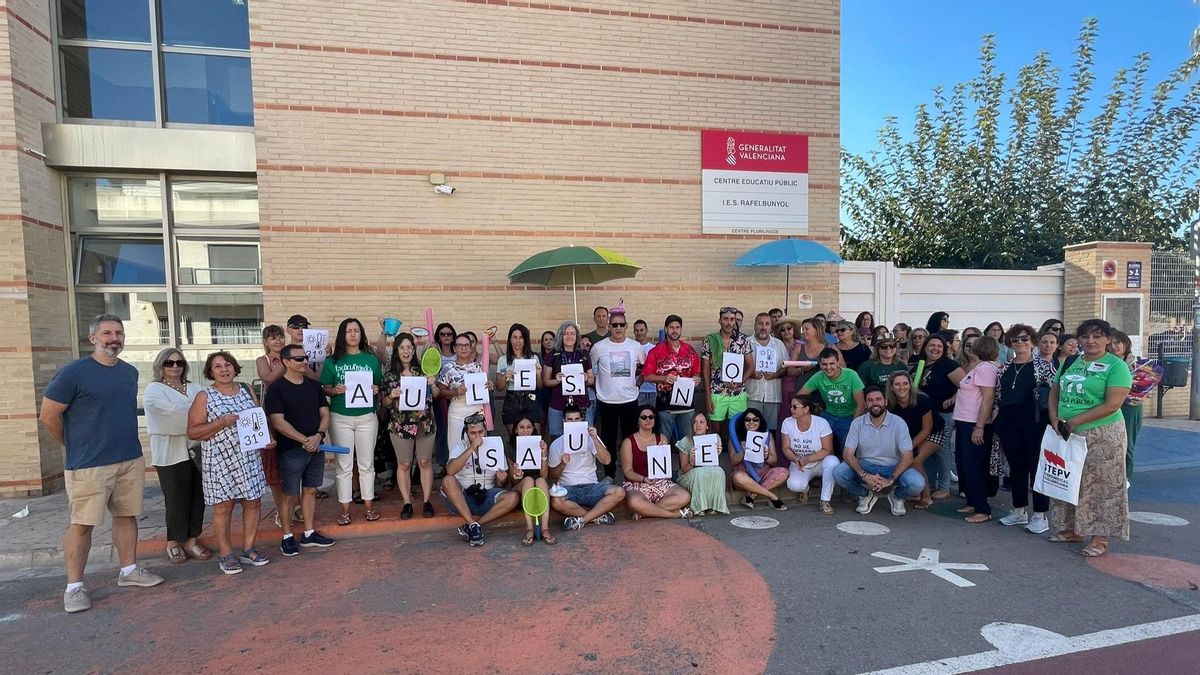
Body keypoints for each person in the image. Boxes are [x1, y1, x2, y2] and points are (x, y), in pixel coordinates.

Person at [41, 315, 165, 612]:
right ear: (93, 338)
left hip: (128, 458)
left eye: (119, 333)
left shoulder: (129, 372)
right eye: (107, 332)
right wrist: (72, 444)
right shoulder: (73, 373)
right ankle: (74, 587)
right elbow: (48, 415)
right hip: (88, 465)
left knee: (126, 516)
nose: (114, 338)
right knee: (82, 524)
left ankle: (129, 570)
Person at [1047, 319, 1133, 557]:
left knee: (1101, 485)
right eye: (1085, 336)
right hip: (1067, 431)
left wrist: (1075, 421)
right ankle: (1073, 529)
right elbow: (1055, 390)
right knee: (1070, 480)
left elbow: (1113, 404)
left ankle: (1100, 537)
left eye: (1097, 336)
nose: (1090, 341)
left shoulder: (1116, 366)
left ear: (1108, 339)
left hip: (1102, 433)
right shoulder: (1071, 361)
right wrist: (1054, 417)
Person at [187, 351, 271, 575]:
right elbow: (193, 432)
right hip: (219, 460)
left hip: (249, 457)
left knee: (253, 502)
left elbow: (258, 419)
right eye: (218, 366)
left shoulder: (246, 389)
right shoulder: (205, 396)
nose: (224, 369)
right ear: (210, 371)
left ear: (235, 367)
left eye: (228, 365)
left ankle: (249, 548)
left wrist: (266, 439)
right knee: (223, 507)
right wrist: (221, 422)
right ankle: (226, 553)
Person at [264, 344, 337, 556]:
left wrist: (319, 435)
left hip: (316, 447)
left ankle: (309, 533)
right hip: (290, 450)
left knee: (311, 490)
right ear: (286, 362)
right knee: (288, 495)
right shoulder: (276, 389)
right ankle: (287, 537)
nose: (304, 361)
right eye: (298, 359)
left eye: (305, 358)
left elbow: (325, 413)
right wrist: (304, 440)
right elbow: (277, 422)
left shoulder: (314, 386)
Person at [144, 348, 206, 565]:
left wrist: (194, 415)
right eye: (169, 363)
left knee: (198, 497)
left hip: (197, 450)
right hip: (169, 453)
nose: (175, 367)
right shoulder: (154, 389)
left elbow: (206, 410)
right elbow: (168, 415)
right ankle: (173, 542)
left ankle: (192, 540)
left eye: (179, 363)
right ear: (160, 365)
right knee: (175, 499)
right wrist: (196, 415)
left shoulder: (195, 387)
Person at [321, 318, 383, 525]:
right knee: (343, 465)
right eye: (349, 331)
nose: (353, 334)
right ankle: (345, 510)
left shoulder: (371, 360)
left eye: (357, 330)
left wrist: (376, 389)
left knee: (367, 464)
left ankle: (369, 506)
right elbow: (324, 388)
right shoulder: (332, 361)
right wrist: (334, 390)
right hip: (340, 418)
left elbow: (378, 385)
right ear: (343, 334)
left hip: (367, 417)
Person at [994, 324, 1055, 533]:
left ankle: (1040, 515)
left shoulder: (1043, 366)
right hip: (1009, 422)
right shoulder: (1004, 368)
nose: (1020, 343)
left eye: (1024, 338)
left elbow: (1055, 393)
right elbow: (998, 396)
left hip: (1035, 422)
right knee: (1016, 467)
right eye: (1015, 339)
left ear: (1032, 341)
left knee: (1037, 467)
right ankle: (1019, 510)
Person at [833, 388, 925, 516]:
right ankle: (865, 495)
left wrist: (890, 480)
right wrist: (864, 475)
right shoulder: (857, 423)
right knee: (839, 473)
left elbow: (908, 456)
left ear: (885, 402)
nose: (875, 403)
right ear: (865, 404)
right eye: (870, 400)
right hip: (866, 465)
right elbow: (847, 454)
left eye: (878, 399)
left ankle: (897, 497)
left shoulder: (899, 423)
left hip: (893, 467)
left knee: (917, 483)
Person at [381, 332, 437, 520]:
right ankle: (407, 502)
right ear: (397, 351)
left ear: (414, 350)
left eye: (409, 348)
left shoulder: (424, 371)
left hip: (424, 423)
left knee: (425, 462)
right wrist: (392, 396)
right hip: (400, 425)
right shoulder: (390, 375)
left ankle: (427, 501)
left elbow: (436, 394)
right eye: (402, 348)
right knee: (404, 464)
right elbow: (384, 402)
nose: (406, 351)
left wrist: (433, 383)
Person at [440, 414, 520, 547]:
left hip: (485, 495)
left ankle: (474, 526)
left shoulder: (495, 446)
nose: (477, 436)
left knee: (513, 497)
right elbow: (450, 470)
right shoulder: (460, 446)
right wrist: (471, 448)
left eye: (480, 432)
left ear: (486, 431)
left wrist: (502, 480)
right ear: (467, 434)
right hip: (462, 497)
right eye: (473, 433)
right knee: (448, 480)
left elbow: (503, 484)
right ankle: (472, 523)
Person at [590, 302, 645, 479]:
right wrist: (597, 386)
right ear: (609, 326)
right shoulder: (599, 347)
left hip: (630, 400)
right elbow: (590, 369)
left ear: (626, 326)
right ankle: (609, 474)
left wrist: (638, 384)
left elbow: (645, 368)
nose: (618, 328)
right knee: (609, 438)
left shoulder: (635, 346)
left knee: (630, 439)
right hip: (607, 401)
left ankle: (631, 474)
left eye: (621, 324)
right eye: (615, 325)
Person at [548, 405, 623, 530]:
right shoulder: (557, 444)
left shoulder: (590, 438)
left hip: (591, 486)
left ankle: (583, 520)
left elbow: (607, 460)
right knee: (556, 501)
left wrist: (595, 439)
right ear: (564, 421)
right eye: (570, 419)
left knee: (619, 492)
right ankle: (597, 517)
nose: (574, 422)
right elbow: (552, 475)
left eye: (577, 419)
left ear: (582, 420)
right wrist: (563, 464)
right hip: (569, 488)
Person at [952, 335, 999, 523]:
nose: (970, 348)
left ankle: (982, 509)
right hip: (965, 421)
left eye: (974, 345)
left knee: (973, 466)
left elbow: (987, 399)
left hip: (974, 423)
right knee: (965, 464)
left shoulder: (986, 369)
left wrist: (979, 427)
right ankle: (972, 501)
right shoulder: (981, 368)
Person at [620, 404, 694, 519]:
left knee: (684, 496)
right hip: (637, 482)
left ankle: (644, 512)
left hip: (659, 481)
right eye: (643, 417)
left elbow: (665, 468)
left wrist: (661, 451)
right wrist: (644, 479)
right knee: (635, 501)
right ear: (637, 421)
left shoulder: (662, 438)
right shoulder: (628, 442)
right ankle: (674, 514)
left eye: (651, 417)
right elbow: (627, 471)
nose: (648, 419)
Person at [885, 370, 945, 510]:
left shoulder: (921, 400)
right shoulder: (890, 404)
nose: (902, 387)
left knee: (914, 460)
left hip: (935, 431)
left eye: (905, 383)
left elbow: (927, 429)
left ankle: (926, 497)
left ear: (910, 385)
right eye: (897, 384)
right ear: (891, 387)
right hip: (911, 432)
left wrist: (909, 447)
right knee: (905, 457)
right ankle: (916, 493)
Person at [917, 334, 965, 499]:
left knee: (941, 451)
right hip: (925, 414)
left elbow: (966, 385)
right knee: (927, 452)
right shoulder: (921, 364)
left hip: (943, 414)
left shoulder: (948, 365)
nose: (935, 349)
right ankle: (930, 484)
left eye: (939, 346)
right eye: (932, 345)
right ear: (925, 347)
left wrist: (953, 398)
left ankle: (944, 487)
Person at [254, 324, 292, 528]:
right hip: (273, 416)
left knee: (294, 463)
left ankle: (294, 507)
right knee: (275, 467)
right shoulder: (263, 360)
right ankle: (280, 509)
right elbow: (267, 378)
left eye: (280, 337)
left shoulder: (293, 356)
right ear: (266, 342)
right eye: (272, 338)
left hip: (294, 413)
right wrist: (288, 361)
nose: (278, 341)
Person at [642, 314, 702, 444]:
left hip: (687, 406)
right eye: (671, 327)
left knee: (688, 442)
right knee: (663, 443)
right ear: (666, 329)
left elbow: (697, 373)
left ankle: (686, 459)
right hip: (665, 406)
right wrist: (664, 378)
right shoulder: (656, 351)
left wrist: (697, 379)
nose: (674, 330)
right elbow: (646, 376)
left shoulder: (690, 350)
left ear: (681, 329)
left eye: (677, 327)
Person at [701, 307, 754, 441]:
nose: (729, 323)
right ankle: (716, 453)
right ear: (720, 320)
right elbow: (705, 370)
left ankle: (734, 454)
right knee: (715, 430)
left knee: (737, 429)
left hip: (738, 393)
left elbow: (750, 366)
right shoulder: (710, 340)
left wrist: (740, 382)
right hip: (717, 392)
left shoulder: (743, 340)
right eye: (725, 319)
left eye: (732, 319)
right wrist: (707, 397)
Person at [799, 348, 865, 455]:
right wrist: (811, 408)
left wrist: (853, 426)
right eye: (824, 364)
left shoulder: (851, 375)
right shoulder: (819, 376)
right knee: (816, 440)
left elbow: (861, 405)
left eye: (831, 363)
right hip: (828, 415)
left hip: (849, 416)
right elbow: (800, 396)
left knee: (848, 450)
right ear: (820, 365)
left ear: (838, 363)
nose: (828, 367)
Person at [437, 333, 490, 466]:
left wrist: (489, 386)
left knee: (479, 445)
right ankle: (456, 475)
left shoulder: (478, 367)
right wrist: (455, 392)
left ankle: (478, 475)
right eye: (460, 345)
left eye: (466, 345)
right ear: (455, 348)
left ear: (471, 347)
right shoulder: (448, 368)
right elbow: (439, 393)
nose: (463, 348)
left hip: (477, 410)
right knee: (456, 445)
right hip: (457, 411)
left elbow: (484, 388)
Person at [781, 394, 837, 514]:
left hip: (820, 462)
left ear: (806, 409)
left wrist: (808, 458)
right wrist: (795, 459)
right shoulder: (787, 422)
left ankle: (825, 500)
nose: (791, 409)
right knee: (794, 485)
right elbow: (785, 448)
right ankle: (806, 489)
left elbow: (827, 449)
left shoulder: (821, 423)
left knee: (833, 462)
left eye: (795, 407)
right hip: (799, 463)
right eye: (790, 406)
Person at [506, 415, 556, 545]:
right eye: (522, 427)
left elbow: (544, 476)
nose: (525, 430)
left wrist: (544, 455)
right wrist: (517, 474)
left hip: (539, 483)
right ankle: (529, 528)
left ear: (533, 429)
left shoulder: (540, 444)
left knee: (540, 481)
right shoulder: (510, 447)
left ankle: (545, 528)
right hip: (521, 484)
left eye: (529, 427)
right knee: (528, 480)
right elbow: (513, 481)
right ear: (516, 430)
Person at [730, 408, 790, 510]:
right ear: (743, 422)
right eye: (747, 420)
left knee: (784, 472)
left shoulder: (767, 436)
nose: (751, 422)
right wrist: (742, 452)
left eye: (755, 420)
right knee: (738, 477)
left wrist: (766, 456)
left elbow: (774, 461)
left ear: (760, 421)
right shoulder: (736, 437)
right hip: (743, 474)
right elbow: (733, 461)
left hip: (763, 473)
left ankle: (751, 497)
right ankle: (772, 497)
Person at [1110, 330, 1150, 481]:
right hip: (1108, 406)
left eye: (1117, 343)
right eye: (1110, 343)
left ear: (1125, 344)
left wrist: (1143, 393)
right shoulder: (1106, 362)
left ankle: (1125, 479)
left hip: (1130, 408)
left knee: (1127, 445)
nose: (1114, 347)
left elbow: (1147, 384)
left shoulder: (1137, 363)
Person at [542, 321, 595, 435]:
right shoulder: (553, 355)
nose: (569, 336)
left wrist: (586, 378)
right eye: (566, 333)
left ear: (577, 336)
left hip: (582, 404)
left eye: (572, 333)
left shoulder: (584, 354)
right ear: (561, 335)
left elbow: (591, 379)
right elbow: (546, 381)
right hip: (558, 404)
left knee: (586, 438)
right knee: (557, 438)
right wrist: (556, 380)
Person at [674, 413, 729, 515]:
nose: (698, 425)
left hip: (707, 471)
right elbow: (683, 470)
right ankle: (699, 507)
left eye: (701, 422)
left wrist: (717, 453)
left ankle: (714, 506)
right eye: (695, 422)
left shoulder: (714, 438)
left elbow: (713, 465)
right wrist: (693, 461)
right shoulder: (686, 441)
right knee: (699, 472)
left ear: (707, 426)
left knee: (719, 471)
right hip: (688, 475)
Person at [495, 323, 543, 437]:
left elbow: (540, 386)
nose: (518, 341)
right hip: (512, 399)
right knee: (514, 439)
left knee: (535, 438)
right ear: (510, 339)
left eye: (521, 337)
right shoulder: (503, 360)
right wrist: (505, 376)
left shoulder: (533, 358)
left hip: (531, 398)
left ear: (525, 340)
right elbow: (499, 387)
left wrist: (538, 375)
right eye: (515, 337)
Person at [746, 312, 789, 435]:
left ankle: (770, 448)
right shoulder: (746, 342)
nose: (763, 327)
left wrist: (775, 375)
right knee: (750, 428)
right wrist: (751, 374)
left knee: (770, 430)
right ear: (755, 325)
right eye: (760, 324)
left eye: (767, 324)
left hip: (772, 395)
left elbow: (785, 366)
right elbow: (739, 366)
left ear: (771, 326)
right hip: (752, 395)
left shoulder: (778, 344)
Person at [774, 317, 805, 428]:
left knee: (799, 416)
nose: (786, 331)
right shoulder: (776, 345)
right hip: (782, 385)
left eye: (789, 328)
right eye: (782, 329)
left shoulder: (802, 344)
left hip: (799, 384)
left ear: (794, 329)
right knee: (783, 416)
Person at [632, 319, 658, 407]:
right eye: (637, 330)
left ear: (646, 331)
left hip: (652, 391)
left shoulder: (654, 349)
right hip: (635, 391)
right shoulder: (630, 348)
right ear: (634, 332)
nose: (639, 333)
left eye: (642, 330)